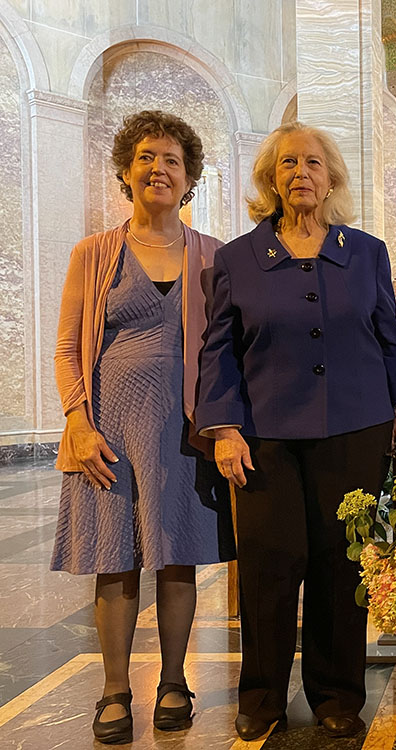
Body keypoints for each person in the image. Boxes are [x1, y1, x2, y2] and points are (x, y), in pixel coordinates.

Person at [195, 121, 396, 741]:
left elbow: (388, 338)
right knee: (269, 564)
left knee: (341, 566)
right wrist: (224, 429)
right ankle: (261, 694)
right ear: (271, 179)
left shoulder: (365, 252)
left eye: (313, 163)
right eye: (288, 164)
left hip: (356, 425)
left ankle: (338, 693)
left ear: (331, 176)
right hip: (264, 435)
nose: (301, 174)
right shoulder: (238, 258)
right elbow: (218, 350)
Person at [51, 110, 232, 744]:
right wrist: (77, 421)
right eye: (147, 158)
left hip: (185, 429)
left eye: (172, 161)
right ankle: (114, 689)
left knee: (178, 559)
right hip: (109, 428)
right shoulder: (94, 252)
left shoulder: (213, 255)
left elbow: (224, 347)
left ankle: (176, 680)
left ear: (189, 180)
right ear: (127, 172)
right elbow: (69, 347)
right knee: (116, 561)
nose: (159, 168)